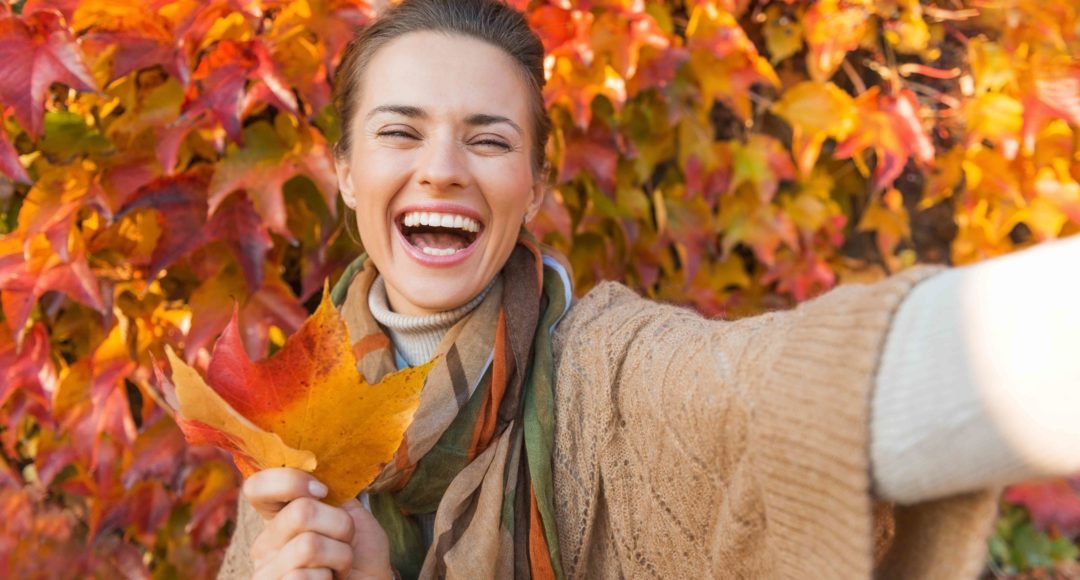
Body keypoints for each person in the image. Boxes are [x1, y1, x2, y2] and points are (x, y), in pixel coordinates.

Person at [216, 0, 1080, 578]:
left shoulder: (611, 374)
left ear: (538, 183)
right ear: (341, 170)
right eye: (400, 131)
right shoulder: (293, 414)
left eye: (487, 140)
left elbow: (773, 389)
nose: (440, 171)